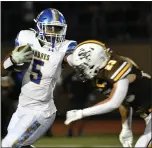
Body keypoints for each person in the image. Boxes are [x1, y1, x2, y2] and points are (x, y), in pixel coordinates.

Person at [2, 8, 77, 148]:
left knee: (8, 144)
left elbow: (71, 57)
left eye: (57, 29)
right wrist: (12, 59)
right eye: (50, 28)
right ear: (40, 27)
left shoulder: (65, 47)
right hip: (22, 107)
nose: (54, 33)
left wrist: (77, 59)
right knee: (18, 144)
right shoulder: (26, 38)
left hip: (41, 112)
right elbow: (2, 72)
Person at [64, 40, 151, 147]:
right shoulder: (100, 78)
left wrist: (81, 113)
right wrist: (126, 128)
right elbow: (123, 102)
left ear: (96, 62)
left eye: (82, 67)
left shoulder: (117, 66)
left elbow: (114, 103)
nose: (79, 72)